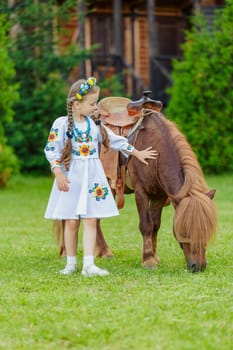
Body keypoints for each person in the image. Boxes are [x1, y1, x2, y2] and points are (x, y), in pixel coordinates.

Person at [44, 77, 157, 277]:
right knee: (71, 222)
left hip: (92, 177)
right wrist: (58, 172)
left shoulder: (94, 126)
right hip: (71, 178)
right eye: (92, 104)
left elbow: (114, 141)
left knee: (91, 219)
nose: (95, 107)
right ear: (76, 105)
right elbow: (51, 149)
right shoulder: (61, 124)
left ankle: (89, 264)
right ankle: (71, 264)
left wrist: (136, 152)